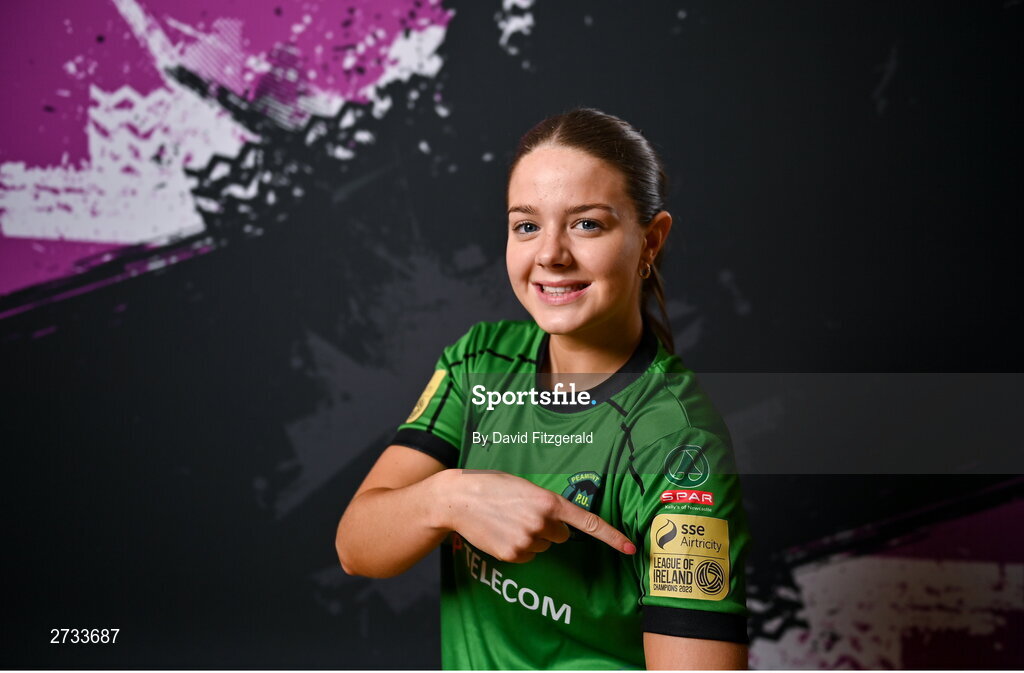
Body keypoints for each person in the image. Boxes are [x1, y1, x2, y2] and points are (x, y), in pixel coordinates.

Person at [336, 108, 750, 670]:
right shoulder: (479, 362)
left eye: (587, 224)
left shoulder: (677, 444)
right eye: (526, 226)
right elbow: (357, 548)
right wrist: (452, 498)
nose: (550, 255)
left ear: (650, 241)